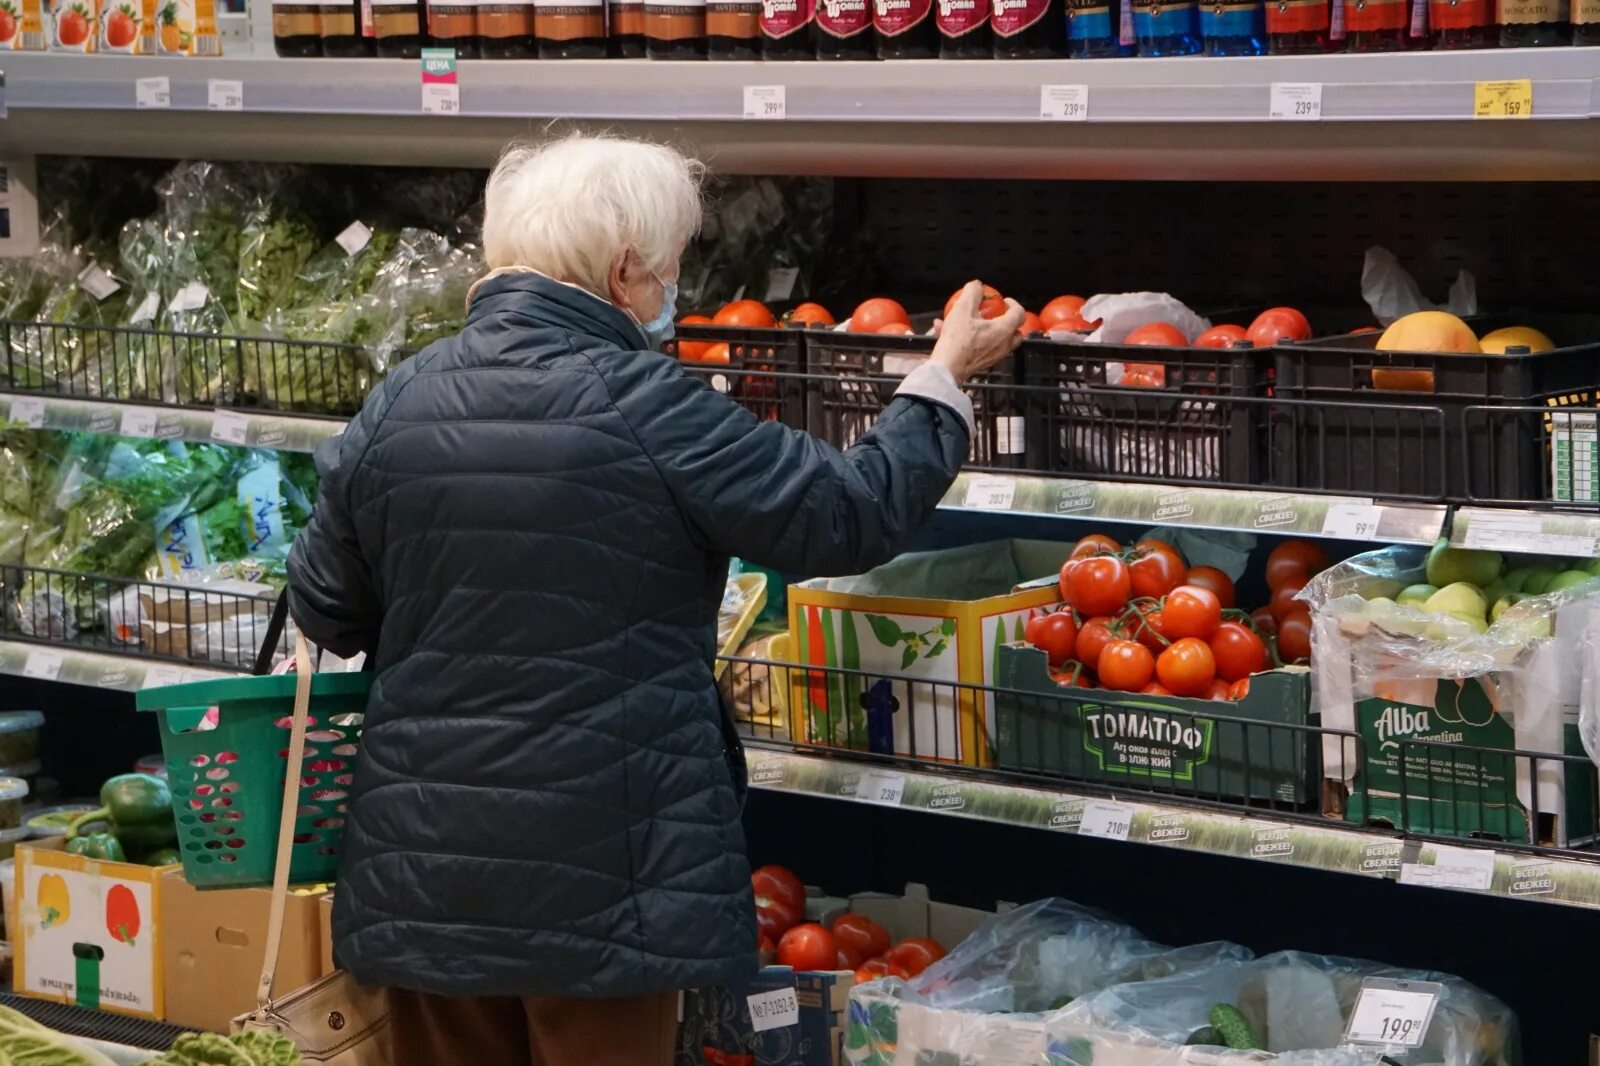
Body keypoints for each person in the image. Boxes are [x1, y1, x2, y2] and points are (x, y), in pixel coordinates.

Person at [286, 132, 1023, 1066]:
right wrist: (942, 378)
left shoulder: (398, 401)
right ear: (627, 269)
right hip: (606, 883)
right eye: (673, 265)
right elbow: (847, 513)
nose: (675, 289)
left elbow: (327, 606)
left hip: (424, 878)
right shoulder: (646, 402)